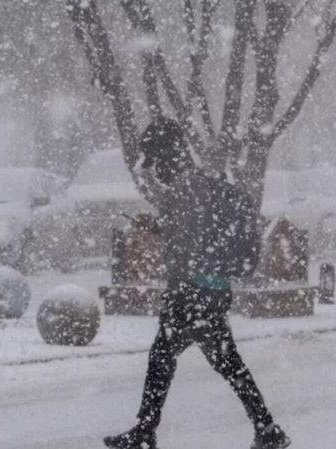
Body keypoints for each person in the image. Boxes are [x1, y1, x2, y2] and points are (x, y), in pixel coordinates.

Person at [104, 117, 290, 449]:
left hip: (191, 292)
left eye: (155, 162)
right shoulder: (201, 184)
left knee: (165, 357)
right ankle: (267, 429)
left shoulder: (184, 190)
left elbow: (189, 244)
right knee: (224, 362)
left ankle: (145, 433)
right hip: (212, 290)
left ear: (166, 156)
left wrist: (169, 238)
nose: (154, 171)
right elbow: (202, 238)